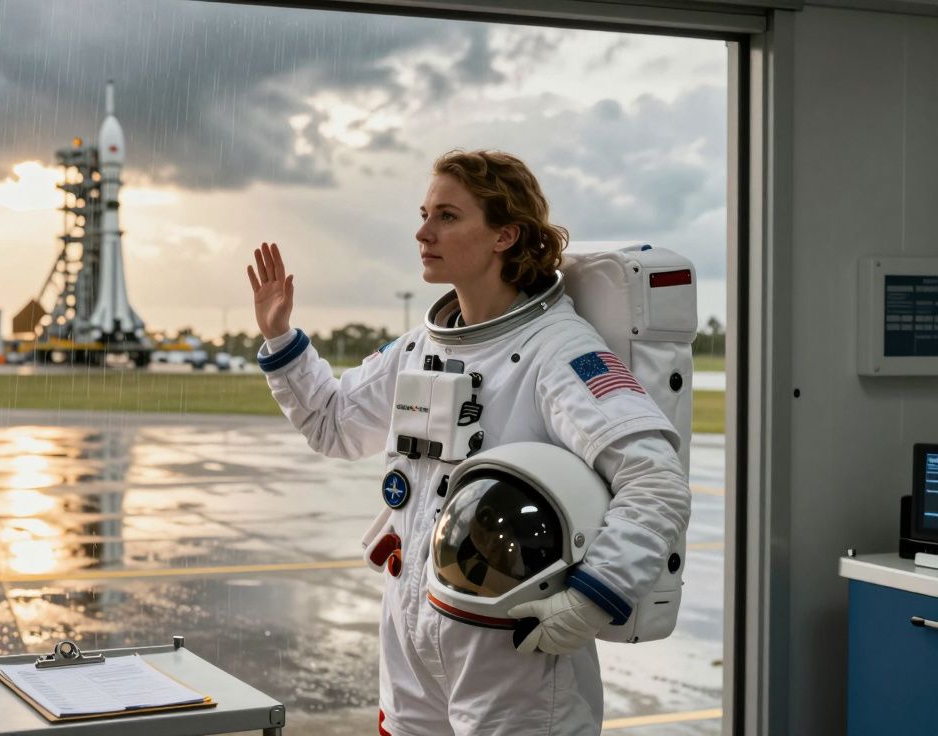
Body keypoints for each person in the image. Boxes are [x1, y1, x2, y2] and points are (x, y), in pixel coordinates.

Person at [246, 150, 691, 735]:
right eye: (425, 213)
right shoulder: (418, 349)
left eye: (447, 217)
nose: (423, 231)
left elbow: (655, 477)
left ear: (505, 235)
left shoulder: (558, 352)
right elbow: (334, 424)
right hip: (412, 632)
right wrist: (280, 338)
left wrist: (591, 598)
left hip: (512, 650)